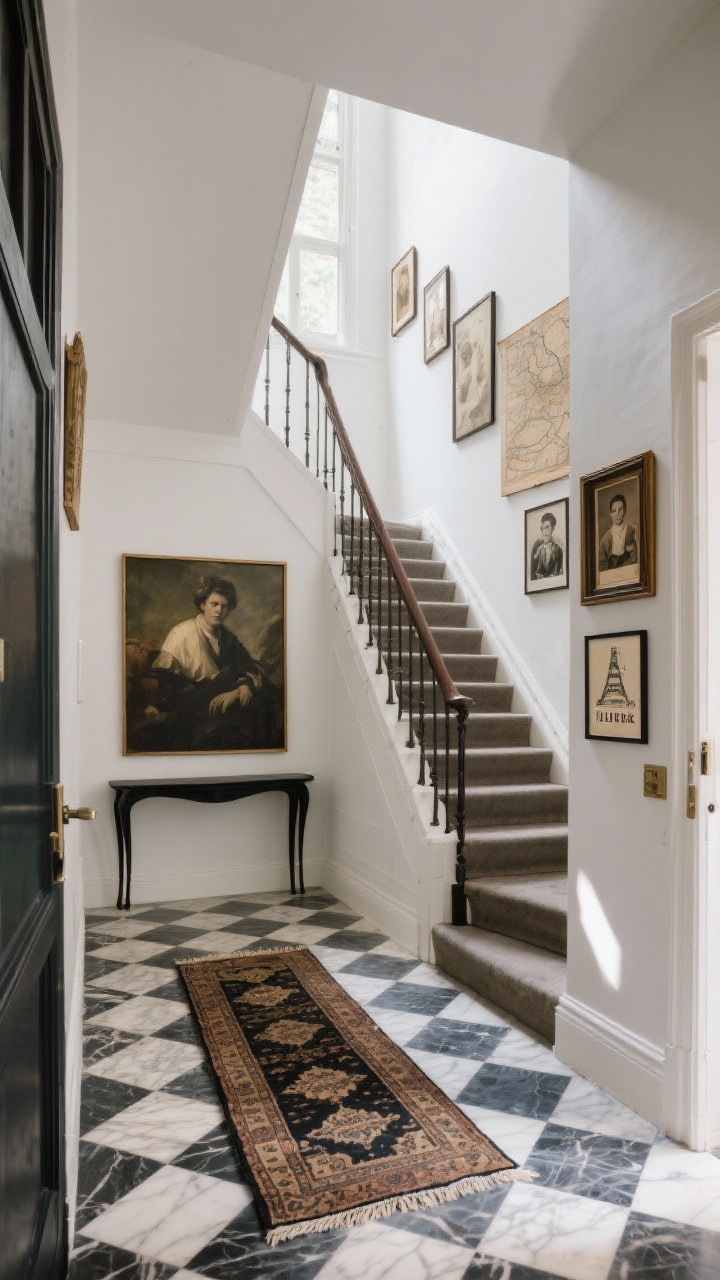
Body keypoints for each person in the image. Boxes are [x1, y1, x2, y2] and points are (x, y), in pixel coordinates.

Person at [140, 576, 283, 751]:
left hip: (224, 697)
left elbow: (248, 666)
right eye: (214, 604)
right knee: (230, 677)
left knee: (267, 694)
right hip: (189, 700)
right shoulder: (181, 633)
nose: (219, 611)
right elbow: (167, 682)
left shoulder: (228, 638)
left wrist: (240, 689)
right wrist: (219, 685)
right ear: (202, 605)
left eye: (224, 606)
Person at [598, 493, 638, 572]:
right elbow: (602, 568)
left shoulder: (633, 530)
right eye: (613, 511)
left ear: (625, 510)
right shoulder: (605, 540)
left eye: (620, 509)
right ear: (610, 514)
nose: (617, 514)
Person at [530, 512, 564, 579]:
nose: (544, 531)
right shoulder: (537, 545)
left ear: (553, 528)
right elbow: (531, 573)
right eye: (542, 528)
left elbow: (560, 573)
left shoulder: (558, 549)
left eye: (547, 527)